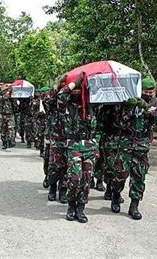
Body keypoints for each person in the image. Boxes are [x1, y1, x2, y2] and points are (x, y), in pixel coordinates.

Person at [113, 78, 157, 219]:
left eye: (150, 92)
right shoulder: (130, 100)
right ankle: (115, 195)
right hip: (126, 143)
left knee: (139, 176)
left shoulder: (155, 103)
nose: (148, 94)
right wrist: (129, 108)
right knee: (120, 173)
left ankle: (134, 205)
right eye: (145, 92)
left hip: (142, 145)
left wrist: (146, 108)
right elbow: (120, 121)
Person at [58, 74, 98, 223]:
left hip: (89, 146)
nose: (76, 93)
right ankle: (71, 205)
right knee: (75, 177)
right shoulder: (66, 105)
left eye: (79, 90)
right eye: (74, 90)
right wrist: (75, 82)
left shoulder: (91, 105)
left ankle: (81, 208)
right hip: (73, 145)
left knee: (86, 179)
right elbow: (61, 94)